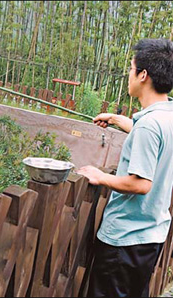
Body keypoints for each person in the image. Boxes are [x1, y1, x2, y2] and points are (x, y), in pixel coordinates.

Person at [77, 38, 173, 297]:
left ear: (143, 75)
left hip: (125, 239)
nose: (129, 75)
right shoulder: (167, 117)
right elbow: (155, 141)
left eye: (131, 69)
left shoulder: (149, 126)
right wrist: (119, 120)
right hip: (150, 236)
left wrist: (100, 177)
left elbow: (141, 184)